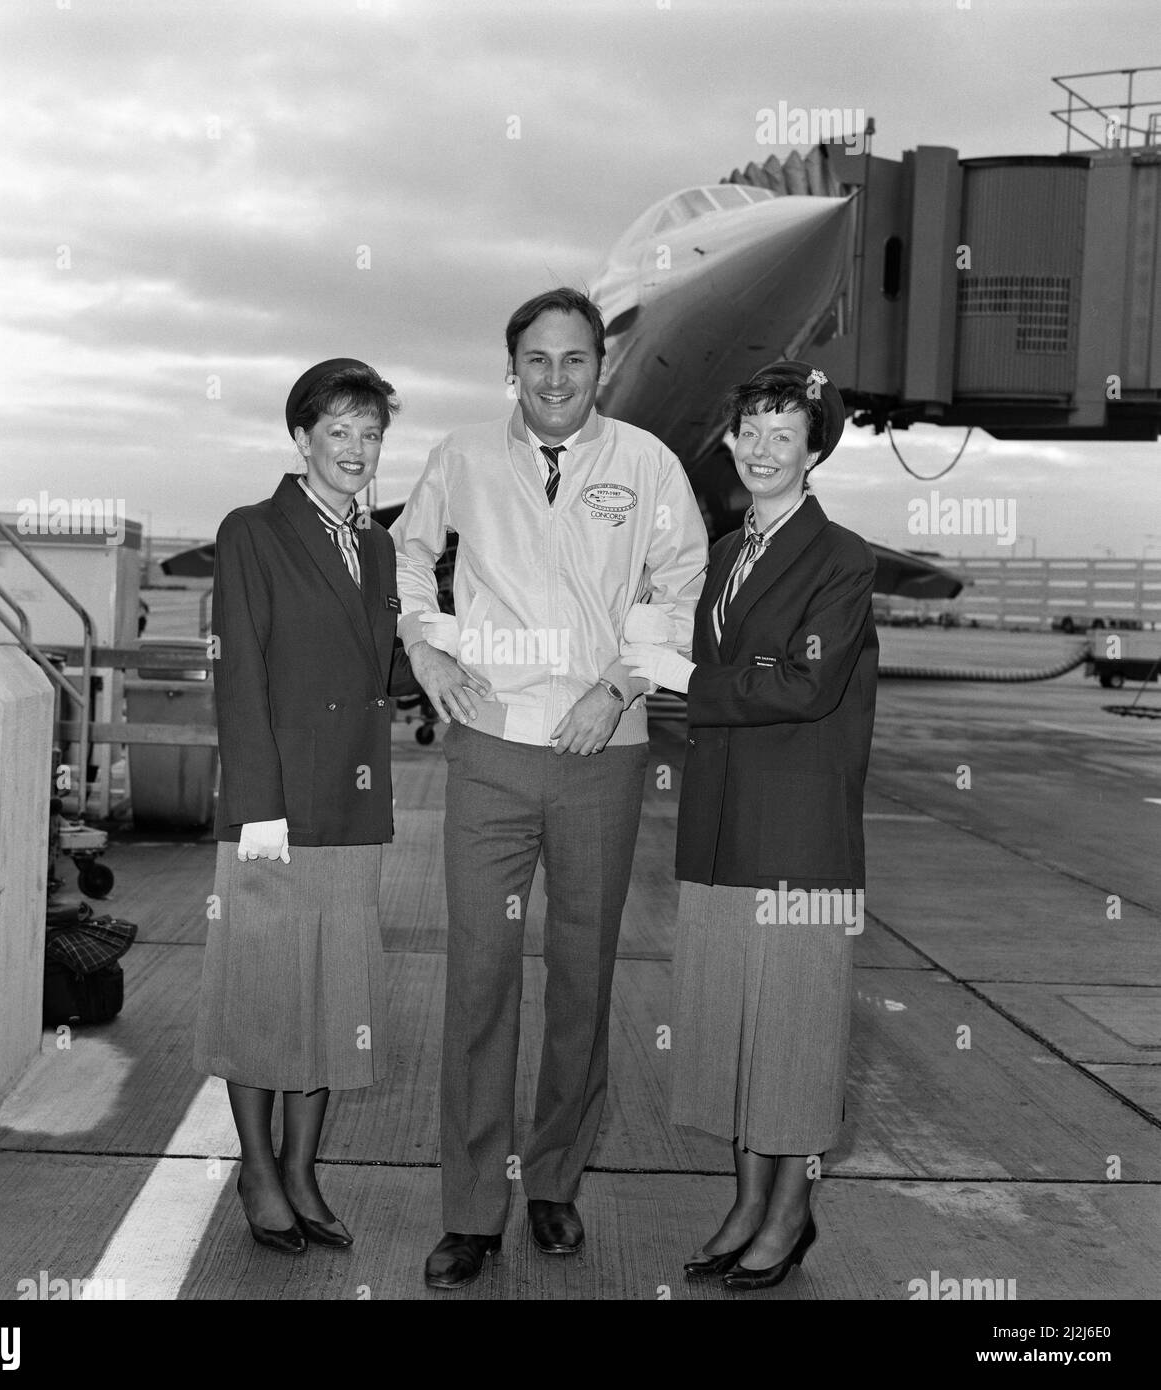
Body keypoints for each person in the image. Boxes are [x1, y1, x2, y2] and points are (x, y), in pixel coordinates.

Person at [392, 287, 708, 1289]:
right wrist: (429, 653)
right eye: (537, 359)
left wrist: (619, 683)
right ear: (512, 368)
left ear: (600, 366)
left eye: (574, 359)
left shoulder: (646, 465)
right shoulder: (461, 459)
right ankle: (471, 1209)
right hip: (489, 746)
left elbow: (677, 583)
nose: (556, 377)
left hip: (601, 752)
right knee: (480, 980)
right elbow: (407, 560)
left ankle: (553, 1184)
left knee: (580, 977)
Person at [623, 359, 878, 1292]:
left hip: (799, 838)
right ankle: (743, 1203)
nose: (764, 450)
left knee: (797, 1034)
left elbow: (807, 685)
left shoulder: (842, 558)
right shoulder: (728, 554)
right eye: (751, 432)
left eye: (786, 434)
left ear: (814, 452)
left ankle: (791, 1212)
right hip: (722, 829)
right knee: (734, 1026)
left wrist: (692, 682)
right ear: (729, 443)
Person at [194, 359, 418, 1254]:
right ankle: (257, 1168)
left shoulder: (377, 546)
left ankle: (304, 1170)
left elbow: (383, 675)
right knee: (260, 997)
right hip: (275, 807)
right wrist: (257, 809)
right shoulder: (252, 531)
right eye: (340, 433)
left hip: (352, 805)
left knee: (330, 996)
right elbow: (237, 673)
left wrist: (457, 641)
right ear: (302, 440)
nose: (357, 451)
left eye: (370, 436)